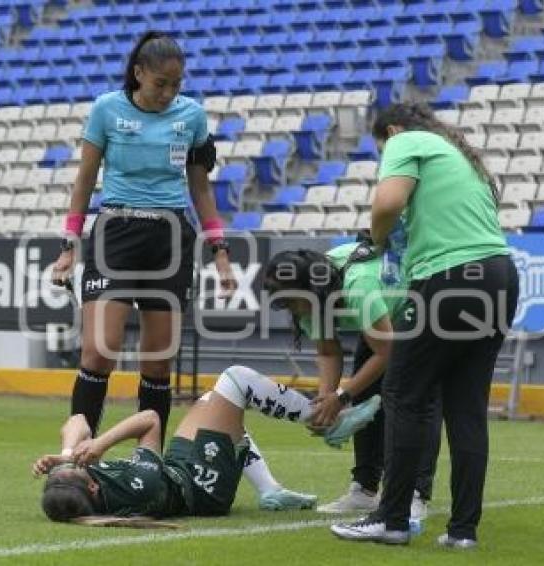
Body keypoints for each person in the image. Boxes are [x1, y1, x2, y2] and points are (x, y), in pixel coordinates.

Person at [330, 103, 519, 548]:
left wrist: (375, 238)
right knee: (467, 409)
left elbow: (389, 201)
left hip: (449, 278)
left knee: (402, 393)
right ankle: (462, 531)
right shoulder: (459, 156)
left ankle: (391, 519)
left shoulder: (406, 141)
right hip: (499, 274)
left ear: (392, 131)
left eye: (382, 148)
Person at [50, 32, 236, 447]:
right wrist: (68, 246)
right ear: (138, 74)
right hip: (116, 232)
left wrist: (220, 253)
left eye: (176, 84)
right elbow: (83, 182)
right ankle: (77, 454)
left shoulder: (191, 117)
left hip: (169, 237)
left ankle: (146, 463)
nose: (169, 93)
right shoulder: (105, 109)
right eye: (160, 84)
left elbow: (201, 191)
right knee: (99, 352)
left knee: (157, 364)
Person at [32, 365, 381, 521]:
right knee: (237, 381)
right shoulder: (139, 486)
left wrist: (64, 453)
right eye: (74, 467)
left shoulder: (84, 490)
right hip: (201, 486)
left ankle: (270, 489)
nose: (72, 464)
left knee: (221, 406)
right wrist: (103, 443)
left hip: (182, 472)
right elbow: (150, 419)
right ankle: (325, 421)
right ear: (93, 484)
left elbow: (77, 421)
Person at [262, 245, 442, 520]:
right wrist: (325, 401)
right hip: (384, 317)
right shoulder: (313, 298)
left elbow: (386, 352)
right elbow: (328, 351)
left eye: (292, 301)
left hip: (419, 303)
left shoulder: (359, 288)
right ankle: (364, 491)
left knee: (412, 397)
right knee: (364, 388)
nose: (291, 309)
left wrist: (342, 396)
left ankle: (415, 493)